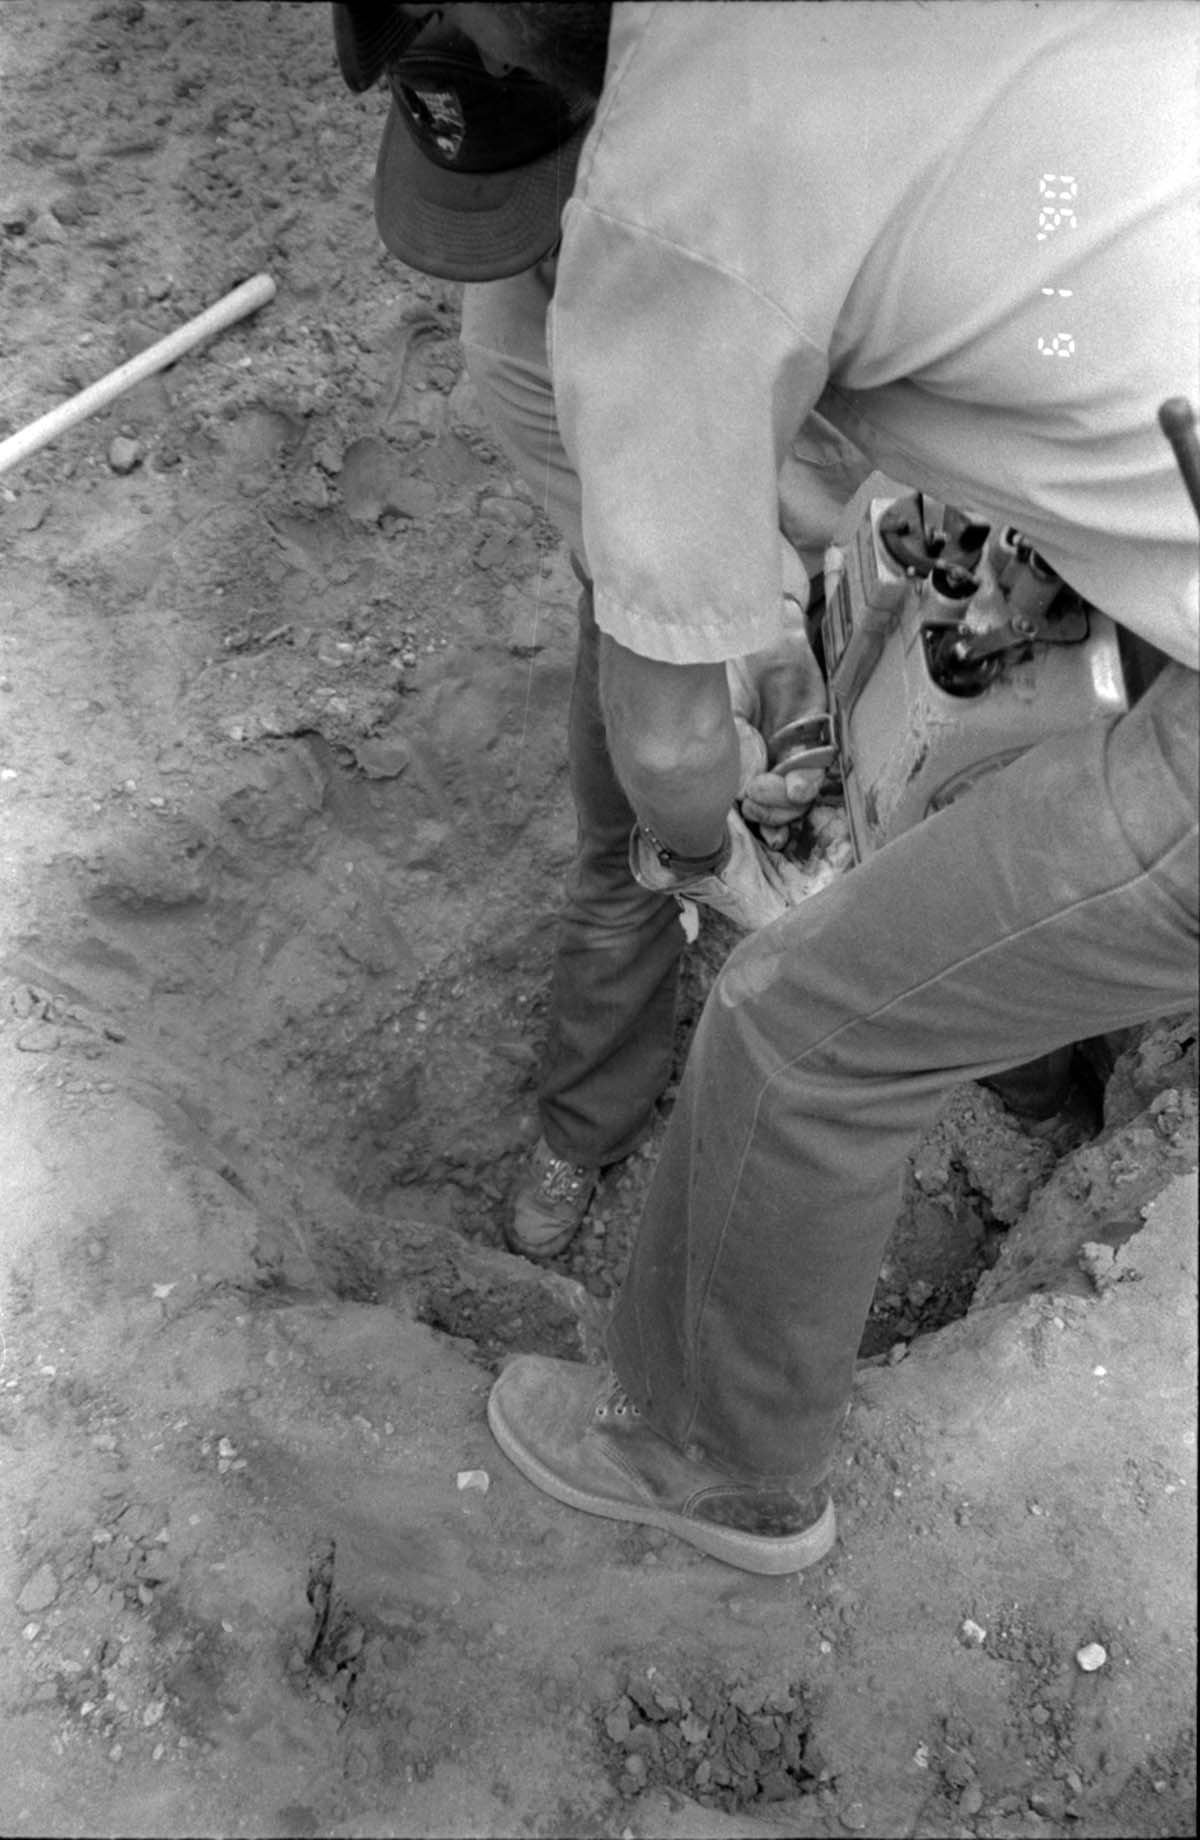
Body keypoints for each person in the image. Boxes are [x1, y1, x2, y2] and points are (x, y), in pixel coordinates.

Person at [338, 1, 1199, 1574]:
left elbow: (692, 705)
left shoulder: (669, 210)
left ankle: (711, 1462)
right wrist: (709, 778)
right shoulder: (810, 72)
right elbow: (674, 673)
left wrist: (726, 870)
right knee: (900, 855)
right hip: (1139, 524)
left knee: (804, 1024)